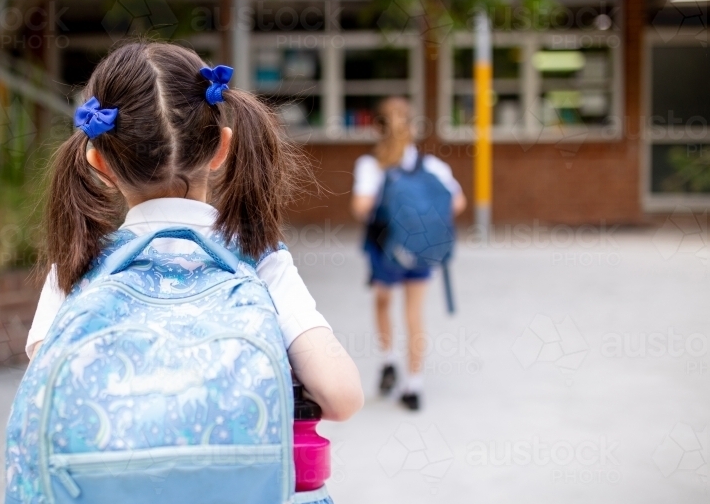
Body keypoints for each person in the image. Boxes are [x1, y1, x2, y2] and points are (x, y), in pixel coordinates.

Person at [25, 41, 363, 425]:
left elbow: (47, 404)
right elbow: (342, 396)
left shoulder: (76, 267)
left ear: (98, 163)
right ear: (222, 148)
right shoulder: (260, 260)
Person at [351, 97, 466, 411]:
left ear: (377, 128)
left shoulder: (371, 166)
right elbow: (457, 203)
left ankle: (388, 360)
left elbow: (361, 208)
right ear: (413, 128)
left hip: (385, 249)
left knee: (382, 301)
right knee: (415, 313)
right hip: (420, 249)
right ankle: (413, 386)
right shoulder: (431, 166)